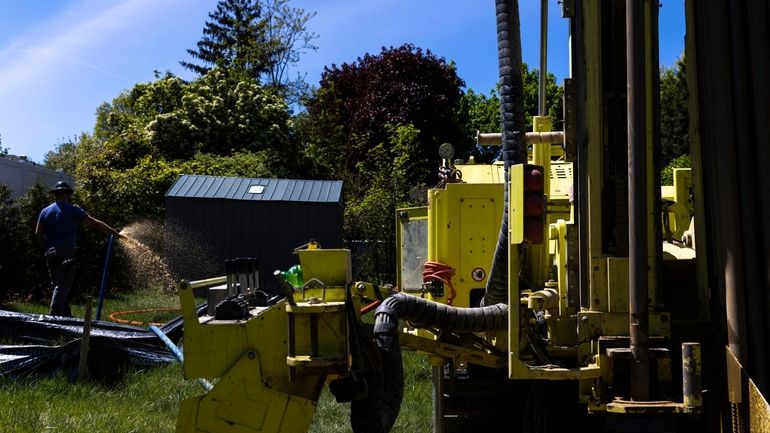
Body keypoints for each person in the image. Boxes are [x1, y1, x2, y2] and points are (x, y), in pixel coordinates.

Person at [35, 181, 121, 317]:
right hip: (65, 253)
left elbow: (38, 233)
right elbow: (94, 223)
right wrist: (113, 232)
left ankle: (66, 317)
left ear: (55, 194)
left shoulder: (45, 211)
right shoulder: (73, 210)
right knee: (62, 286)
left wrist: (46, 247)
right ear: (68, 194)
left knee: (57, 285)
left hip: (50, 253)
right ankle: (54, 320)